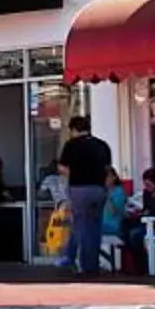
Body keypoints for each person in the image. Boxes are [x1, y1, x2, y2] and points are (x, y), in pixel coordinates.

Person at [57, 116, 115, 275]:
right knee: (95, 227)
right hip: (98, 189)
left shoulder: (72, 145)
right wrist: (106, 191)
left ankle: (80, 264)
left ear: (73, 129)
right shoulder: (102, 145)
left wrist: (74, 175)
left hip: (79, 189)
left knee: (80, 226)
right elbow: (108, 171)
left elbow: (62, 168)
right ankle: (92, 264)